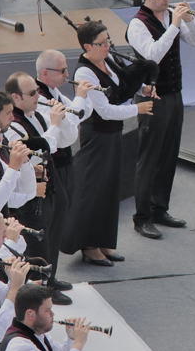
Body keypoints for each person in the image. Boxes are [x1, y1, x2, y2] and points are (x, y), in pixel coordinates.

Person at [63, 21, 154, 264]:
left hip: (113, 134)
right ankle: (89, 245)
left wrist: (143, 89)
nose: (107, 46)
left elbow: (121, 86)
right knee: (94, 190)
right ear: (86, 46)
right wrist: (138, 108)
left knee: (109, 189)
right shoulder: (85, 73)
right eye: (101, 43)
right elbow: (104, 111)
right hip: (97, 136)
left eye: (108, 41)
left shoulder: (106, 61)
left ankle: (104, 241)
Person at [126, 0, 195, 239]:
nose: (167, 0)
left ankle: (160, 207)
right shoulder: (138, 25)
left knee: (169, 153)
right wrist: (173, 26)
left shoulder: (169, 16)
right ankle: (142, 217)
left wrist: (189, 20)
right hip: (152, 98)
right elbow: (152, 56)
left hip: (174, 93)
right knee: (149, 158)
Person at [4, 72, 72, 305]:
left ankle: (50, 278)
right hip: (31, 197)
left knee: (53, 232)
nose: (38, 96)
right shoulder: (13, 126)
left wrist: (62, 119)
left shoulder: (37, 115)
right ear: (16, 97)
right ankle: (39, 289)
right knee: (38, 242)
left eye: (37, 90)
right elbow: (39, 154)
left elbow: (65, 140)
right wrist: (54, 124)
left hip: (50, 186)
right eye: (32, 93)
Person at [35, 50, 93, 272]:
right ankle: (46, 279)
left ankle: (53, 276)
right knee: (52, 221)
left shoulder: (55, 92)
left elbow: (81, 114)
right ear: (44, 73)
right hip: (53, 167)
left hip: (65, 162)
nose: (68, 74)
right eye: (62, 70)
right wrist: (79, 98)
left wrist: (83, 96)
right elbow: (67, 133)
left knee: (61, 218)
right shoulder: (41, 98)